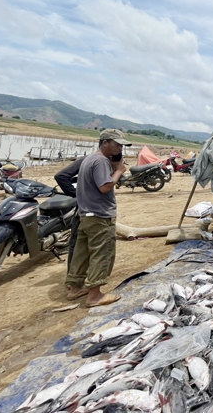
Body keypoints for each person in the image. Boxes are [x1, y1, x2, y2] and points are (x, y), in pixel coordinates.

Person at [65, 129, 130, 307]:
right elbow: (105, 187)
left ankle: (75, 287)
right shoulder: (101, 161)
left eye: (121, 145)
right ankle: (94, 296)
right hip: (100, 215)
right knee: (102, 253)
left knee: (82, 252)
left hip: (86, 214)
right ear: (105, 143)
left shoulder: (90, 158)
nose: (119, 148)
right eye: (116, 144)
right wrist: (119, 170)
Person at [54, 155, 86, 267]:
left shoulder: (100, 161)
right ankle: (73, 275)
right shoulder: (88, 160)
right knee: (77, 241)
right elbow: (61, 176)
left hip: (94, 210)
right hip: (85, 209)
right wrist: (77, 194)